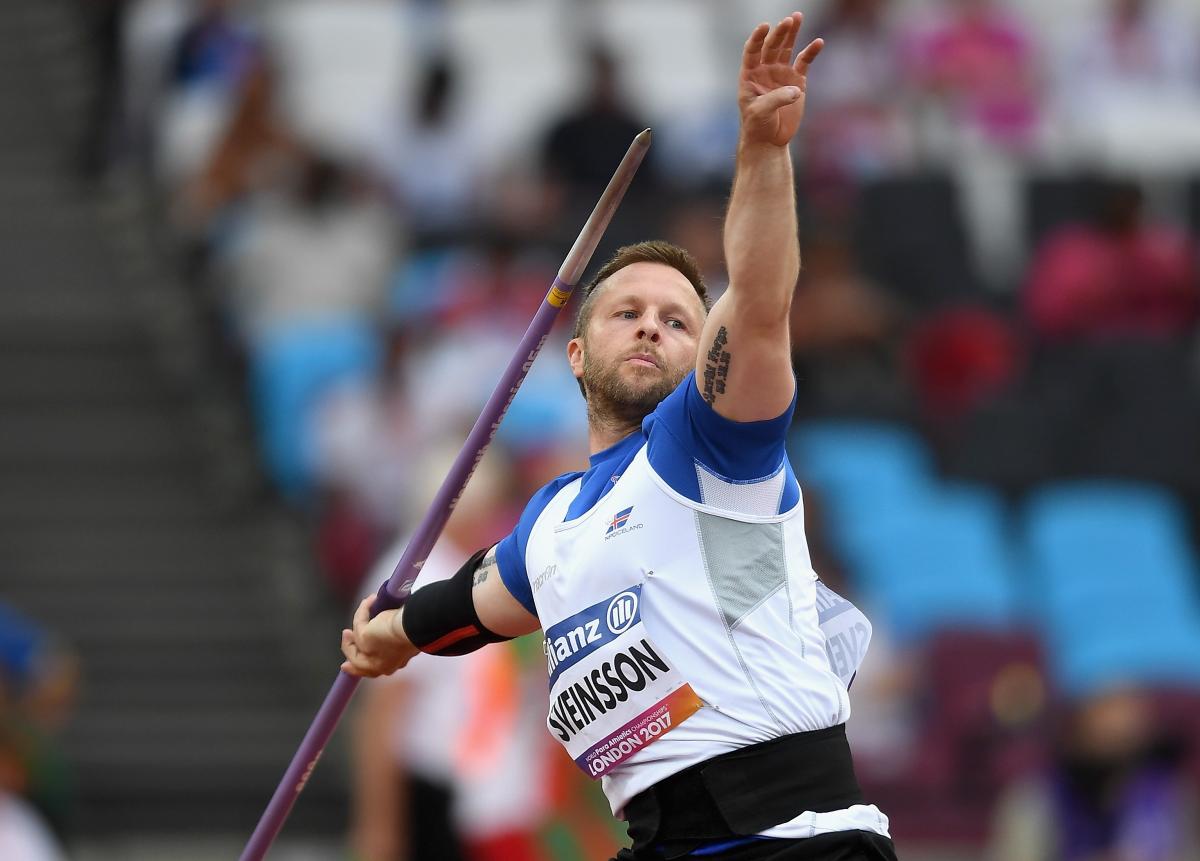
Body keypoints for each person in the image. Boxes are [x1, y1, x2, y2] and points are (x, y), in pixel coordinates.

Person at [342, 13, 898, 860]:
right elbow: (471, 606)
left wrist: (762, 153)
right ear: (575, 351)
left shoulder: (709, 448)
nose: (650, 328)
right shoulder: (554, 522)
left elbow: (755, 301)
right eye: (626, 312)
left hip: (794, 841)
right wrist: (390, 635)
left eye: (677, 319)